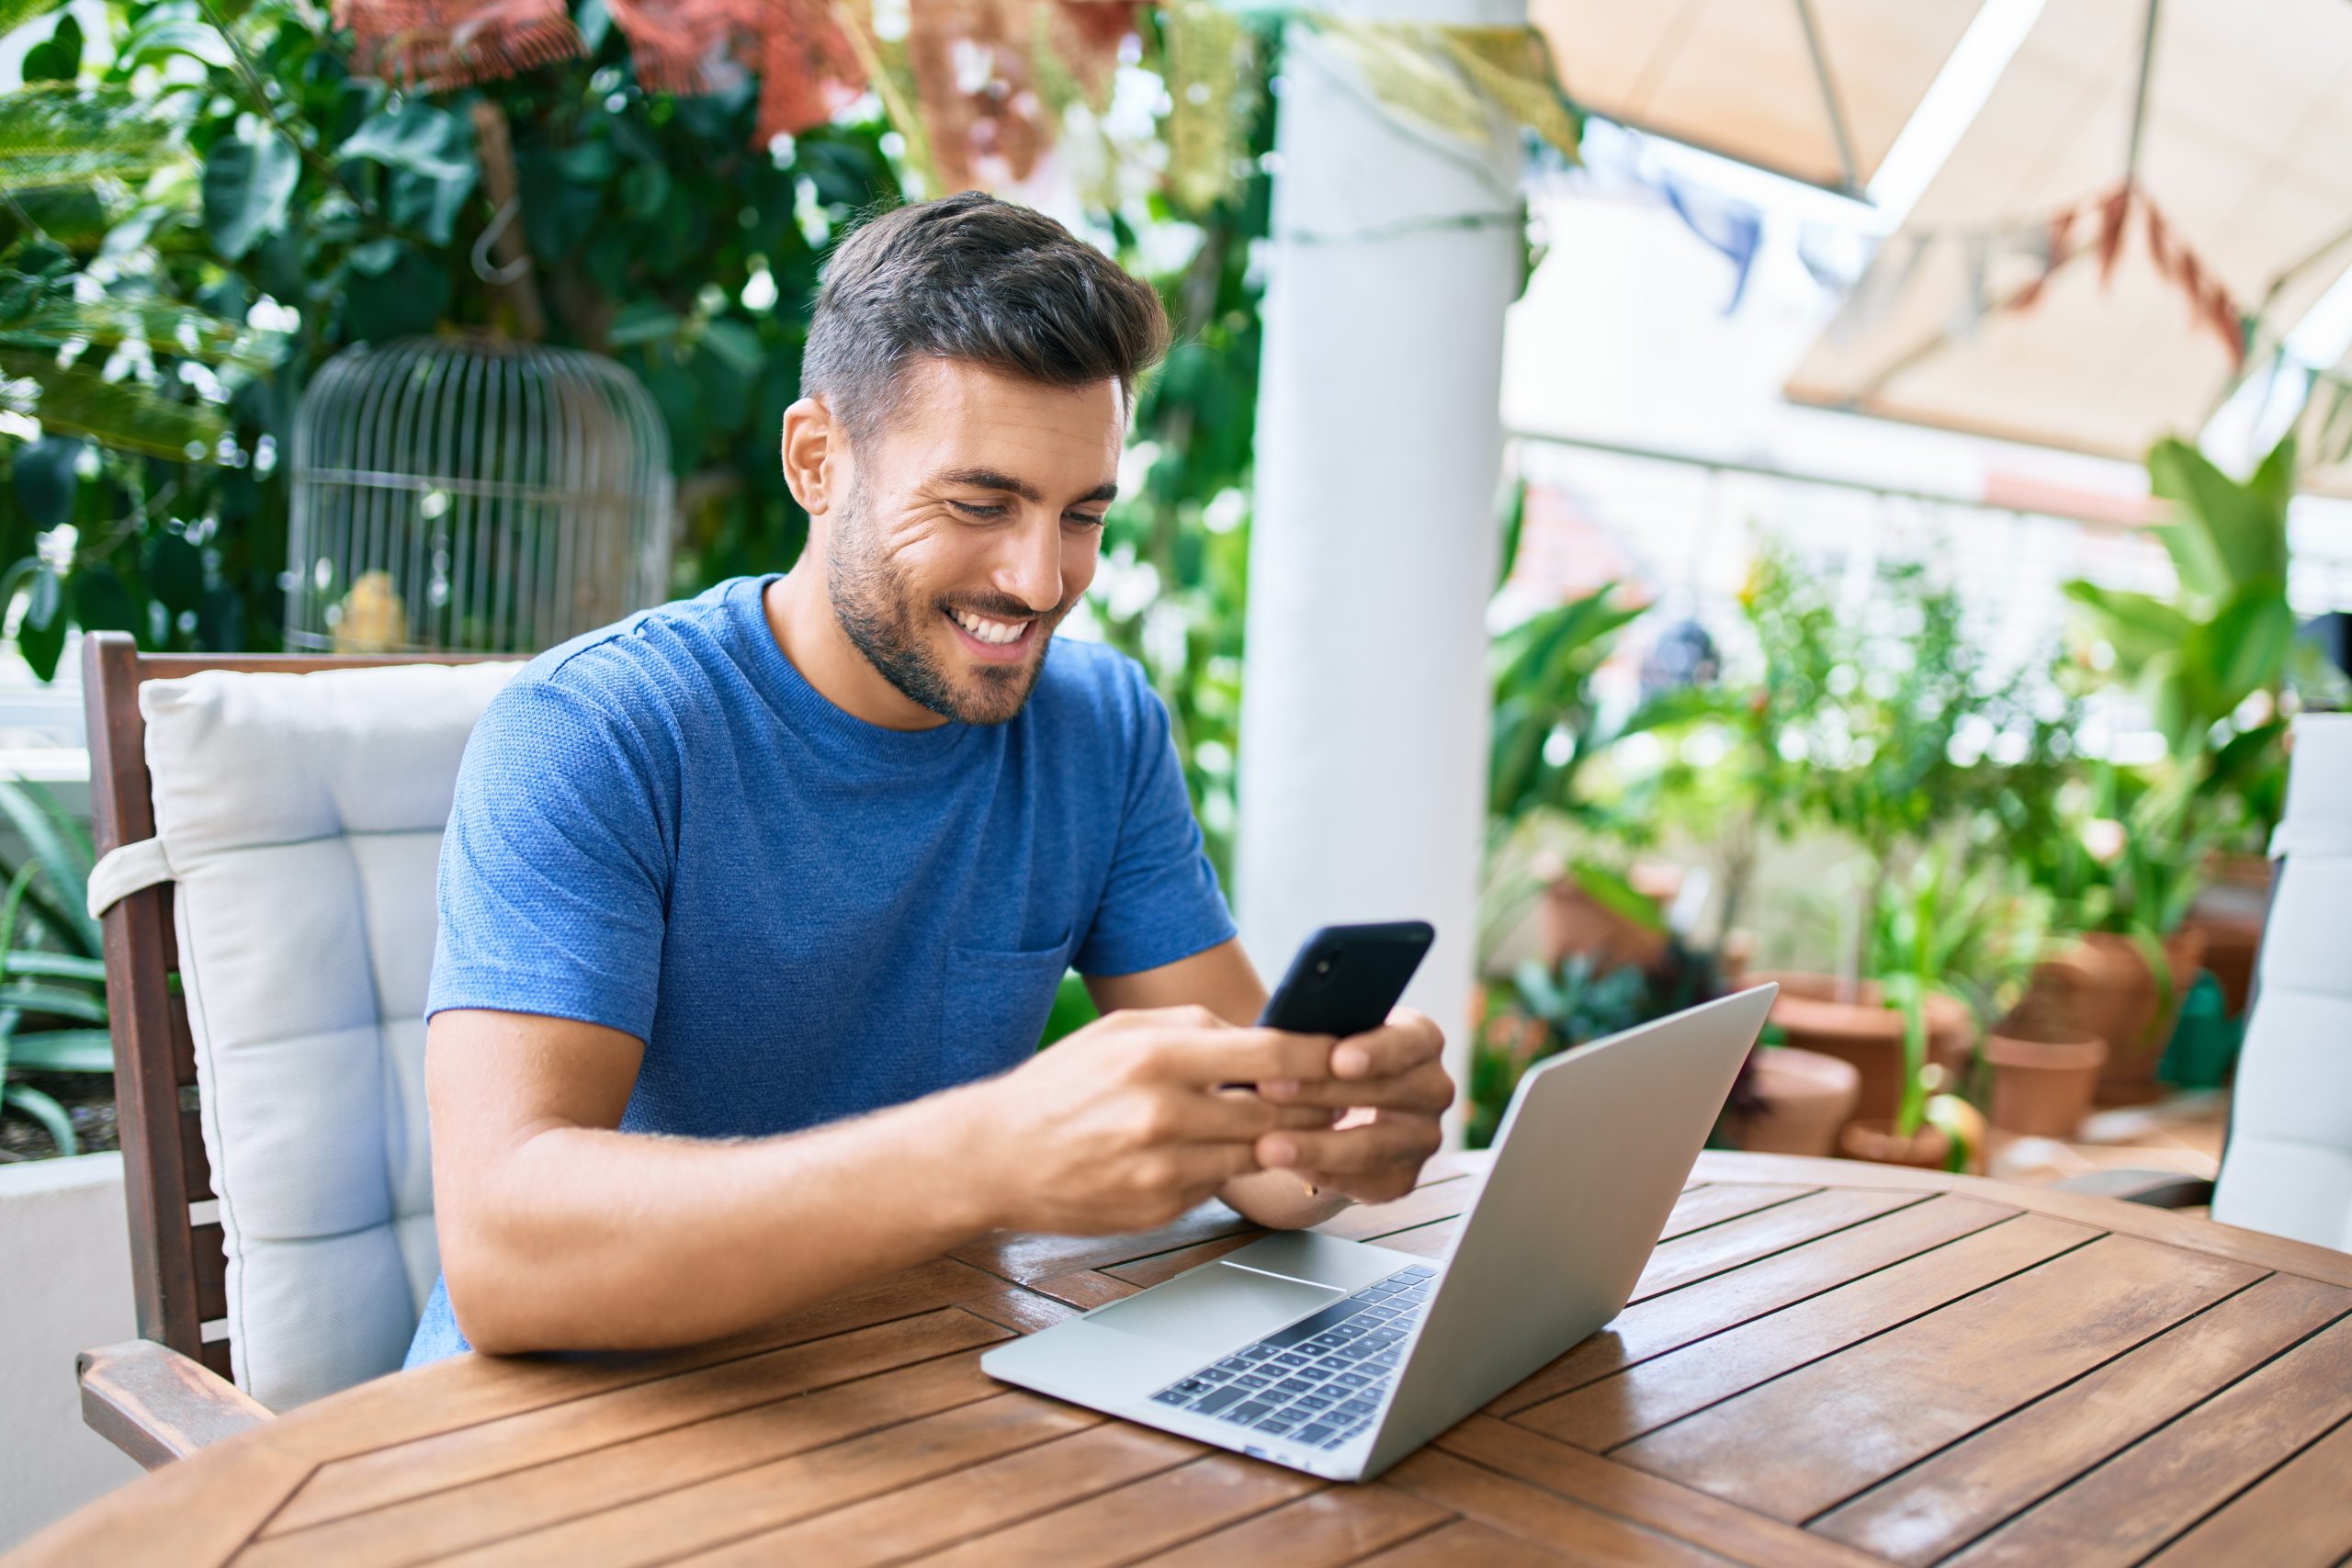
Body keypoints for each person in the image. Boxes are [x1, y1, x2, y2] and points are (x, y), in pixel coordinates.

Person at [406, 192, 1454, 1364]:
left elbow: (1264, 1153)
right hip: (569, 1422)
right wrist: (985, 1152)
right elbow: (504, 1261)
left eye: (1081, 514)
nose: (1040, 579)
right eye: (979, 503)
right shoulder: (597, 731)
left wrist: (1337, 1138)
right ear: (817, 460)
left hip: (896, 1384)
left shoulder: (1096, 730)